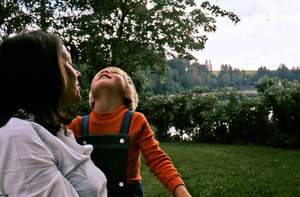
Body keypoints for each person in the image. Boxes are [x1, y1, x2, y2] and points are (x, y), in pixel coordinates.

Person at [0, 30, 107, 197]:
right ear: (44, 72)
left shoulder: (54, 131)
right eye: (69, 63)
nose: (77, 73)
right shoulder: (18, 138)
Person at [67, 67, 191, 197]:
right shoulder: (76, 125)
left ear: (127, 93)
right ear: (92, 98)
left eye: (114, 73)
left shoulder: (136, 121)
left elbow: (157, 160)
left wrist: (181, 192)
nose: (105, 71)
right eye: (99, 73)